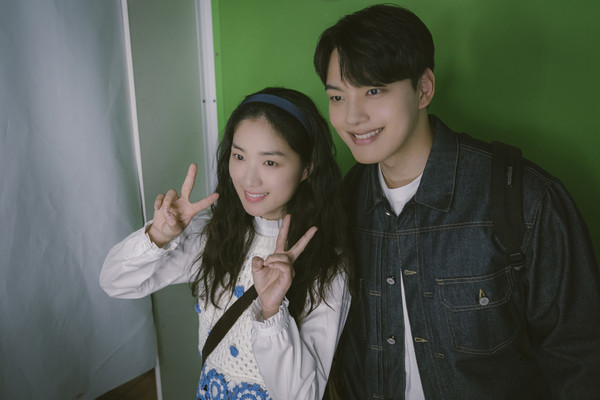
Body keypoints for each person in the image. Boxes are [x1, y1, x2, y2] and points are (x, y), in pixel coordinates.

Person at [313, 4, 600, 399]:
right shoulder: (343, 206)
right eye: (337, 97)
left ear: (424, 89)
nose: (352, 117)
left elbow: (579, 356)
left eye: (373, 91)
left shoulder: (523, 198)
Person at [100, 87, 351, 400]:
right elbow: (115, 282)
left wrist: (272, 311)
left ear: (307, 169)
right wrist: (158, 236)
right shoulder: (214, 235)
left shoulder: (327, 264)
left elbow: (303, 396)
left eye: (270, 163)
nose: (249, 179)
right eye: (239, 156)